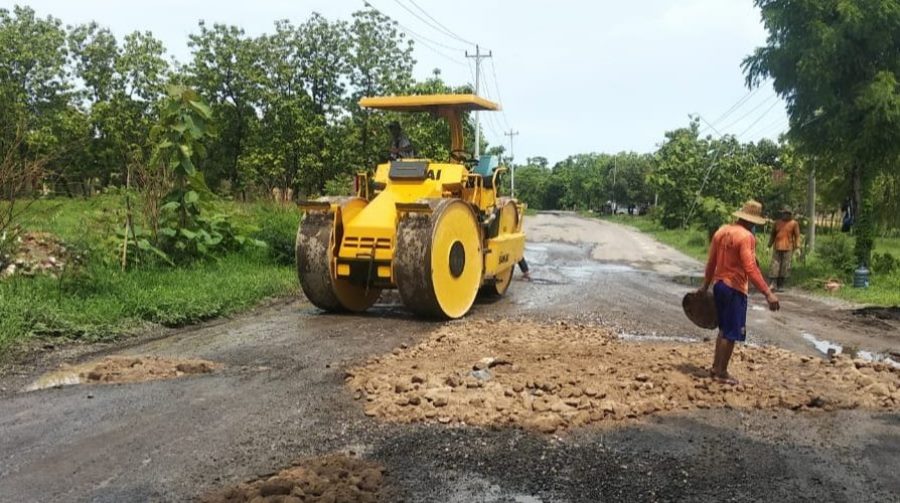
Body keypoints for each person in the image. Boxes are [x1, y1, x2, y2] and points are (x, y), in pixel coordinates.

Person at [697, 200, 780, 385]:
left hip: (719, 285)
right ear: (753, 220)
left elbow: (711, 262)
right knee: (731, 332)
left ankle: (715, 367)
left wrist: (705, 286)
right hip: (735, 288)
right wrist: (768, 293)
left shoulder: (722, 231)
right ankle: (721, 372)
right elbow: (750, 268)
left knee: (723, 329)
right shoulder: (747, 237)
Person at [767, 206, 801, 291]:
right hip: (777, 246)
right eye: (784, 213)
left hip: (788, 247)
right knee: (775, 265)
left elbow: (797, 236)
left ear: (790, 214)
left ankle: (781, 284)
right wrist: (768, 246)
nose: (785, 215)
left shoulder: (794, 223)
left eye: (787, 214)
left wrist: (797, 248)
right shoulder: (777, 223)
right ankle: (773, 283)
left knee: (785, 266)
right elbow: (772, 235)